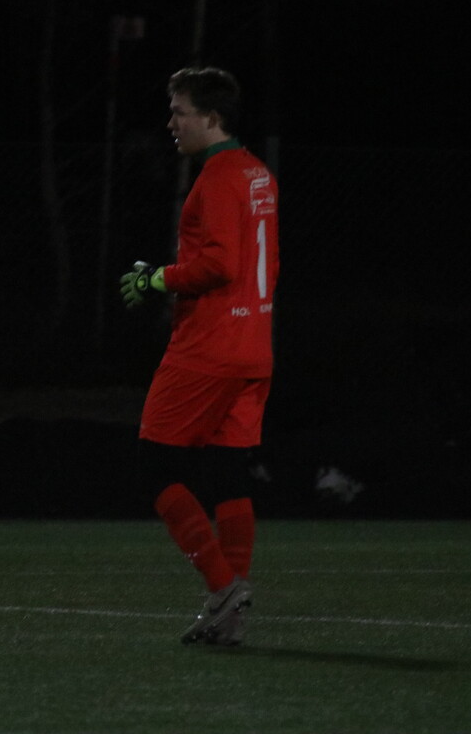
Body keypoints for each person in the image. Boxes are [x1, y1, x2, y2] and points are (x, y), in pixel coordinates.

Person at [119, 66, 280, 646]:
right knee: (227, 472)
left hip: (209, 346)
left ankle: (221, 587)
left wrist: (156, 278)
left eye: (179, 112)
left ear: (211, 118)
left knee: (155, 466)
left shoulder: (216, 178)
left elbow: (218, 264)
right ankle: (230, 617)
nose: (171, 123)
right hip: (254, 346)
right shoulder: (258, 173)